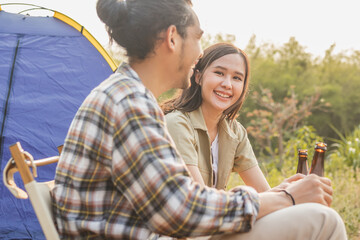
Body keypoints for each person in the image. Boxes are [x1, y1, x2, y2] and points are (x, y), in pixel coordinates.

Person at [51, 0, 347, 239]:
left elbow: (179, 204)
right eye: (197, 38)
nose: (200, 52)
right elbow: (183, 211)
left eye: (237, 78)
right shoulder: (129, 103)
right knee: (323, 220)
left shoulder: (126, 95)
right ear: (171, 38)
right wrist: (286, 197)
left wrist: (277, 195)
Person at [162, 43, 270, 192]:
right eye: (219, 73)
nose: (227, 84)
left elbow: (264, 191)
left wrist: (286, 193)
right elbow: (200, 201)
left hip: (217, 213)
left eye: (237, 78)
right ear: (198, 77)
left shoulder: (235, 131)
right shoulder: (176, 124)